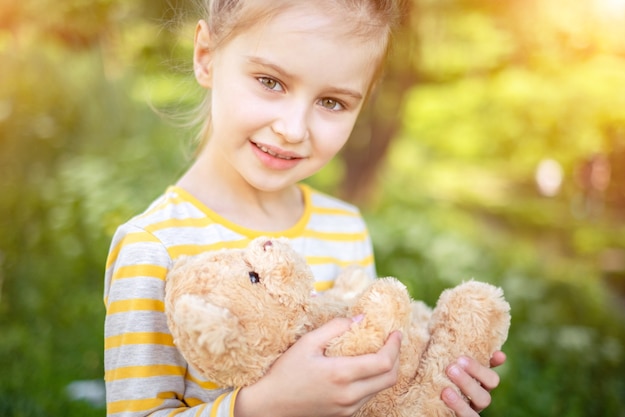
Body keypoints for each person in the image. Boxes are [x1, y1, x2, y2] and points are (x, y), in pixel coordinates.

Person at [103, 1, 507, 416]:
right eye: (270, 81)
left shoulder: (344, 228)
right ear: (206, 57)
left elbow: (365, 390)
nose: (292, 129)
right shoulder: (153, 248)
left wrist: (426, 384)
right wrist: (263, 406)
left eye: (332, 102)